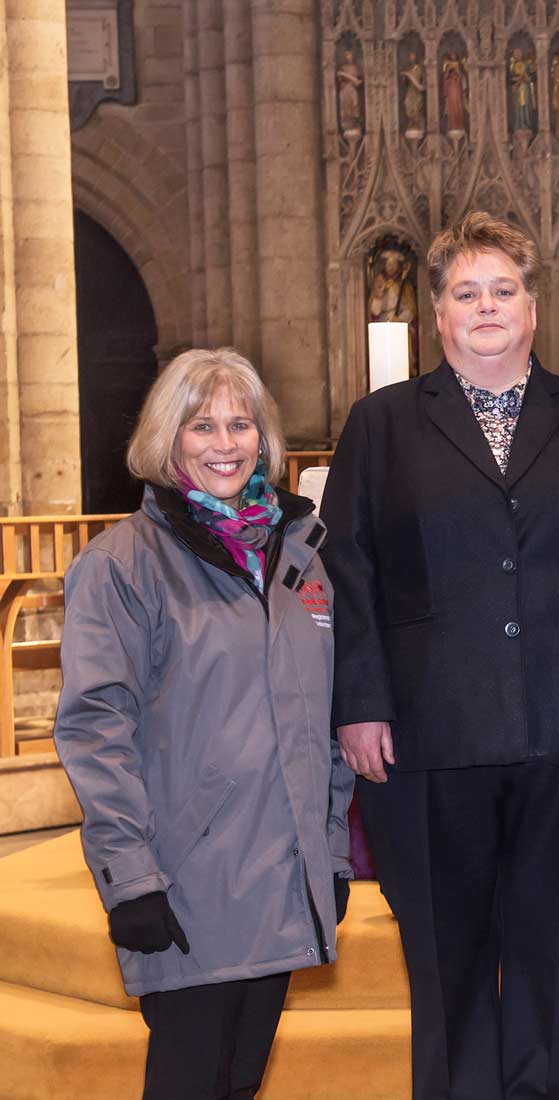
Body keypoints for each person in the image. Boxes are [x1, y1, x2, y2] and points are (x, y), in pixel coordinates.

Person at [323, 210, 559, 1100]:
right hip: (427, 736)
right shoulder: (381, 425)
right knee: (446, 961)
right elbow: (348, 570)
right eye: (464, 292)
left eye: (503, 290)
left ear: (534, 306)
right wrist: (359, 701)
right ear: (437, 315)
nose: (485, 307)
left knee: (551, 956)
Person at [54, 348, 352, 1100]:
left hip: (282, 877)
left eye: (240, 424)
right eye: (202, 426)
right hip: (186, 886)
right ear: (167, 439)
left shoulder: (301, 557)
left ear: (263, 438)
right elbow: (96, 730)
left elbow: (327, 721)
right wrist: (130, 881)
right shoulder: (123, 565)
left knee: (240, 1083)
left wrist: (331, 857)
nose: (224, 443)